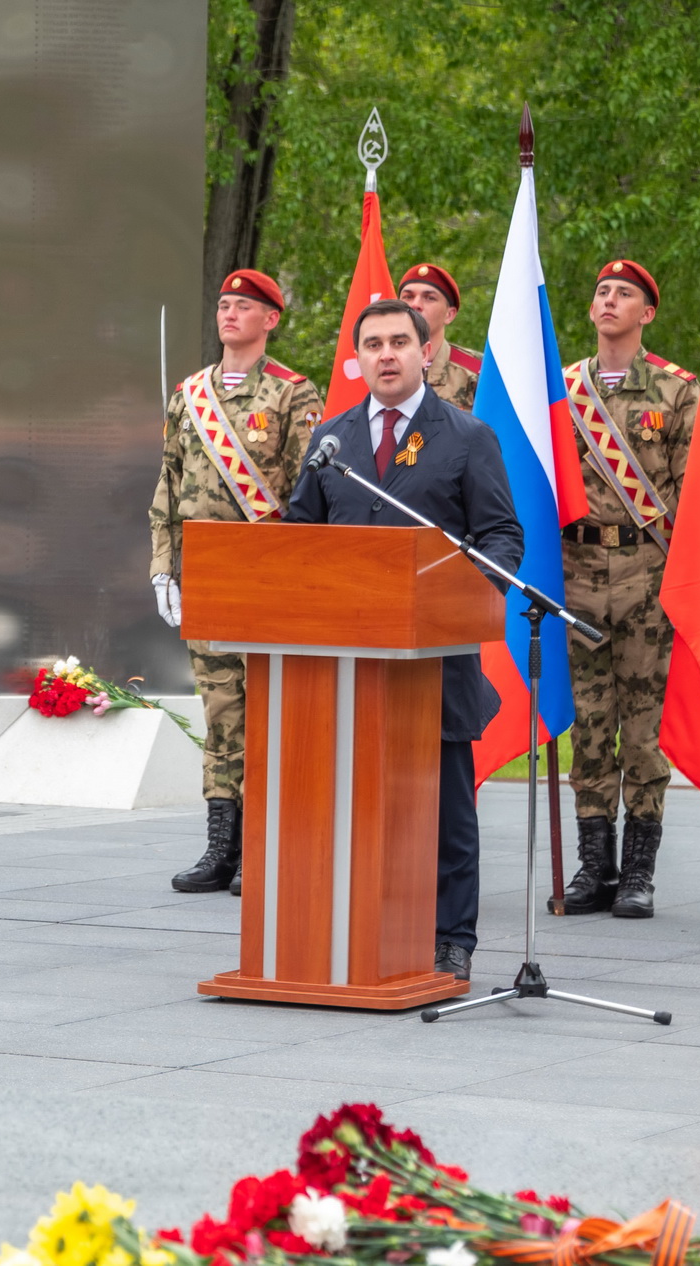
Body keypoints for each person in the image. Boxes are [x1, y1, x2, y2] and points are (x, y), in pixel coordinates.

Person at [287, 298, 524, 983]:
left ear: (426, 352)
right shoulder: (331, 439)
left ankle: (451, 938)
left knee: (444, 811)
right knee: (347, 805)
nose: (386, 354)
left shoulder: (467, 436)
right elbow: (300, 535)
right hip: (345, 661)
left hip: (434, 658)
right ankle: (355, 929)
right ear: (357, 359)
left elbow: (501, 536)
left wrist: (461, 598)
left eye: (399, 342)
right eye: (373, 344)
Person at [149, 270, 323, 896]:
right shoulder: (188, 394)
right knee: (221, 713)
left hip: (266, 575)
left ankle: (263, 848)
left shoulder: (292, 394)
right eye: (224, 304)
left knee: (269, 712)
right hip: (205, 573)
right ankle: (221, 848)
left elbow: (310, 493)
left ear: (270, 319)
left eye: (244, 306)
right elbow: (167, 485)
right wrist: (163, 567)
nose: (229, 313)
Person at [558, 259, 696, 918]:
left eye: (625, 293)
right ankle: (596, 868)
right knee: (588, 730)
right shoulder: (562, 392)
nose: (609, 299)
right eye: (602, 291)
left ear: (648, 313)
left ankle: (639, 873)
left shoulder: (677, 392)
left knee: (641, 731)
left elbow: (695, 497)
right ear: (591, 310)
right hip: (575, 575)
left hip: (647, 575)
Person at [398, 263, 480, 410]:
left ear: (449, 314)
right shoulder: (377, 366)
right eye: (408, 297)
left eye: (429, 298)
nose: (415, 305)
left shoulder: (478, 371)